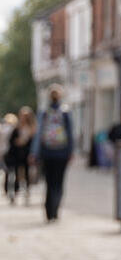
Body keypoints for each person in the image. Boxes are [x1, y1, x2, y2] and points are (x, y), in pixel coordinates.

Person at [30, 84, 73, 222]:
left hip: (47, 153)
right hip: (62, 153)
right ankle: (55, 210)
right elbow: (70, 134)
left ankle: (48, 211)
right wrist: (71, 151)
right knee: (59, 183)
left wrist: (34, 153)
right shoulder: (65, 112)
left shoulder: (44, 112)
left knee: (49, 182)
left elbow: (38, 135)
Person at [6, 107, 37, 205]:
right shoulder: (17, 128)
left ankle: (27, 193)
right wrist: (18, 142)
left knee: (27, 175)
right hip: (16, 155)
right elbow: (11, 141)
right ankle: (14, 194)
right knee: (15, 175)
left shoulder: (32, 129)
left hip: (27, 155)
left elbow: (34, 144)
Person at [0, 113, 17, 200]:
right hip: (12, 153)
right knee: (12, 172)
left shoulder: (2, 128)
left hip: (4, 152)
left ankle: (7, 189)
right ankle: (11, 190)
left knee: (7, 171)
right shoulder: (14, 129)